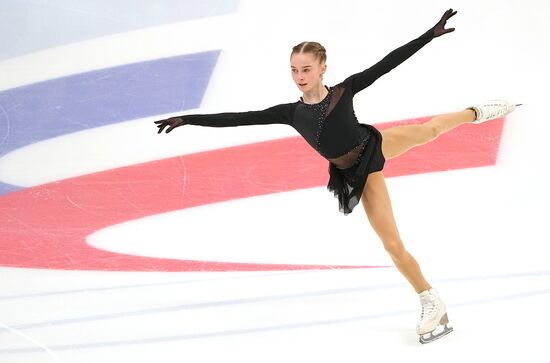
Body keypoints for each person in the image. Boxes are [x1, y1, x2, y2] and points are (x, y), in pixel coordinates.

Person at [155, 9, 518, 343]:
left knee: (428, 135)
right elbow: (238, 117)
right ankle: (431, 297)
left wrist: (429, 34)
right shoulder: (289, 112)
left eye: (306, 69)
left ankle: (476, 112)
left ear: (322, 67)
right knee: (396, 229)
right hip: (349, 171)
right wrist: (188, 119)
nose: (300, 77)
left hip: (371, 151)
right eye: (294, 70)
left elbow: (386, 64)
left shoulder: (345, 91)